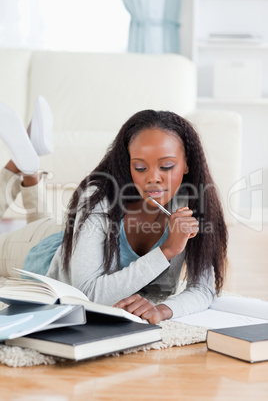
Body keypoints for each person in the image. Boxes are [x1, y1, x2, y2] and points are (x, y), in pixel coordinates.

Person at [0, 105, 228, 324]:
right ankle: (18, 166)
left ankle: (29, 169)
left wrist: (162, 309)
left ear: (187, 163)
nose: (153, 178)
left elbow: (202, 289)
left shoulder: (194, 204)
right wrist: (167, 250)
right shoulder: (99, 198)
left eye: (166, 166)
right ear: (127, 164)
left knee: (46, 221)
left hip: (77, 237)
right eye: (140, 167)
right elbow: (87, 293)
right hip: (40, 250)